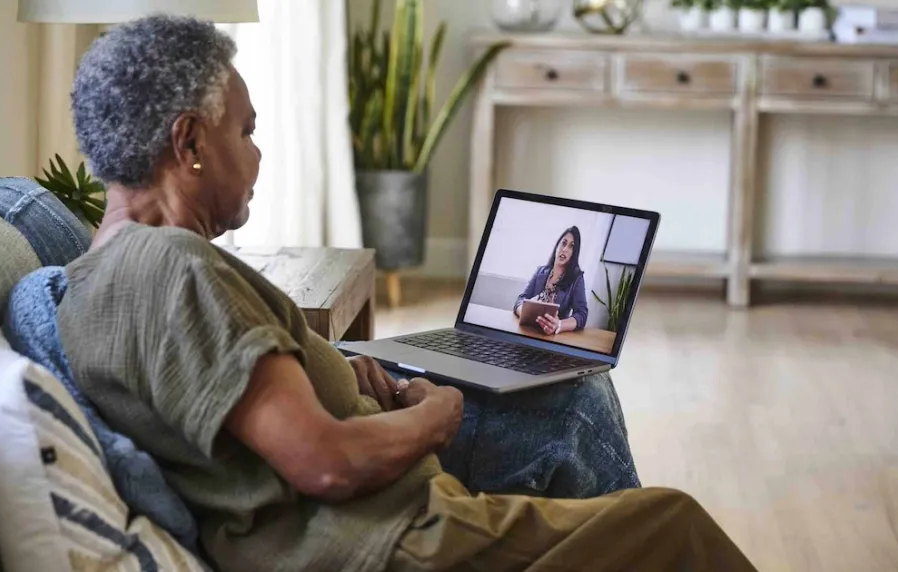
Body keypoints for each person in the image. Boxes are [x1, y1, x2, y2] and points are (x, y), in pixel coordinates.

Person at [56, 15, 756, 572]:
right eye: (246, 130)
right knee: (671, 522)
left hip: (381, 520)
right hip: (391, 540)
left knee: (575, 410)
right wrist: (436, 414)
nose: (259, 153)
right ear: (189, 144)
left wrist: (324, 367)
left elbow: (230, 400)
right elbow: (325, 463)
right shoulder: (172, 270)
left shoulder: (101, 272)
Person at [515, 226, 590, 336]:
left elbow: (582, 314)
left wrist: (559, 324)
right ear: (557, 245)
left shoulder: (576, 279)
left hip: (552, 337)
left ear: (574, 253)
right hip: (527, 331)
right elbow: (521, 299)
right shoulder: (540, 271)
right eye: (563, 243)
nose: (565, 249)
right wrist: (524, 313)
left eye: (571, 246)